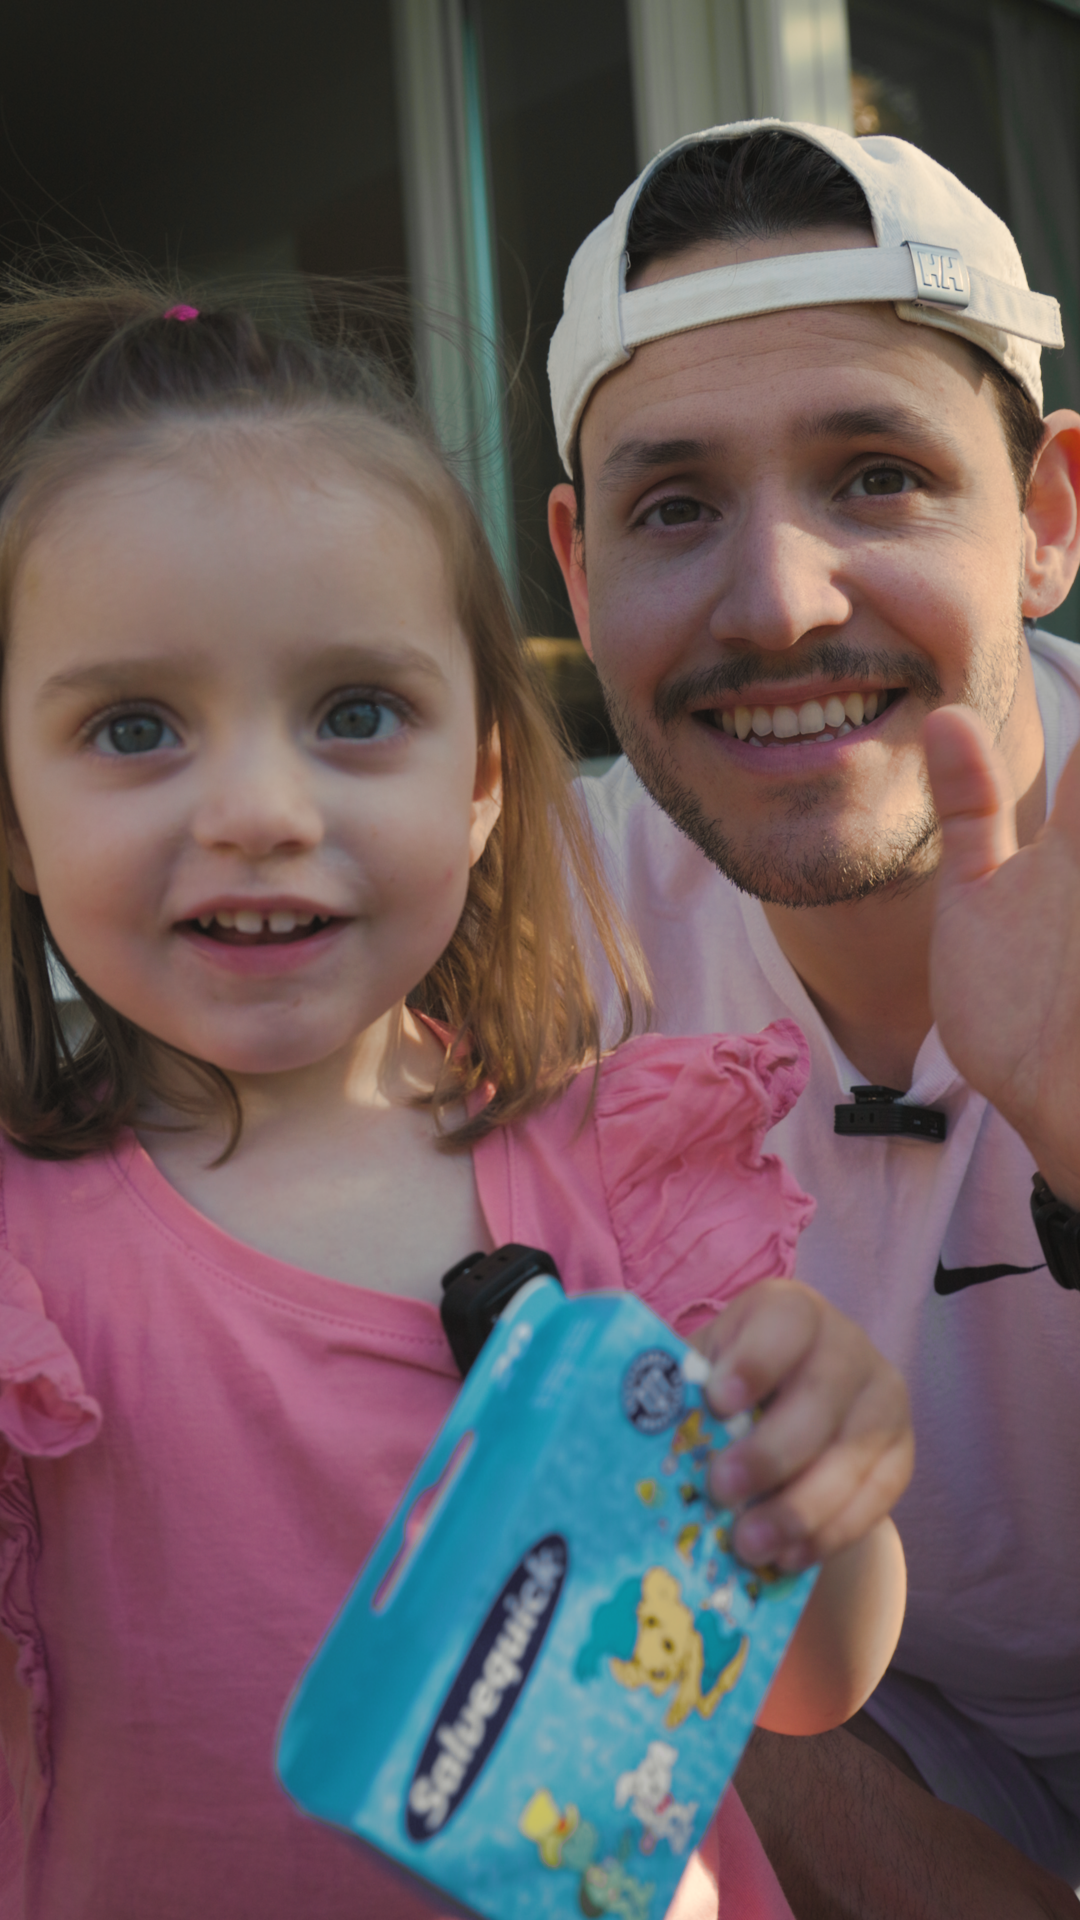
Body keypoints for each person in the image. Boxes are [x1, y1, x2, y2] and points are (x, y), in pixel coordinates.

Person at [0, 271, 910, 1920]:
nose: (263, 808)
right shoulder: (23, 1281)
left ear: (483, 774)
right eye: (135, 726)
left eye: (357, 713)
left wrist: (823, 1478)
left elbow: (808, 1681)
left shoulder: (624, 1185)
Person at [546, 120, 1080, 1917]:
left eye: (877, 476)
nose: (778, 603)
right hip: (866, 1740)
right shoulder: (511, 945)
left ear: (1049, 518)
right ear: (573, 563)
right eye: (676, 506)